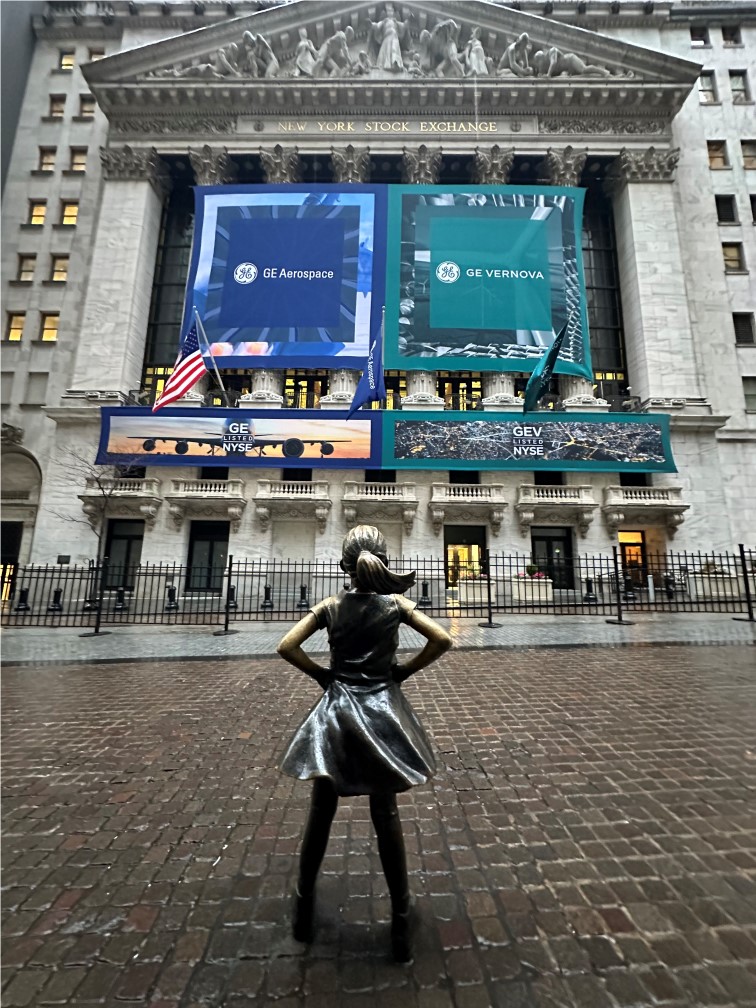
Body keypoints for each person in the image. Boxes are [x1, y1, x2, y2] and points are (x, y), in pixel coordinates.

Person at [277, 525, 452, 962]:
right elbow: (443, 639)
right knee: (385, 814)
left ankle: (303, 904)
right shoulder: (395, 605)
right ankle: (399, 916)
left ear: (345, 563)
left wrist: (323, 676)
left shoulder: (331, 606)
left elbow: (286, 646)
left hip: (336, 714)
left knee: (321, 811)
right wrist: (404, 672)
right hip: (382, 714)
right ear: (383, 559)